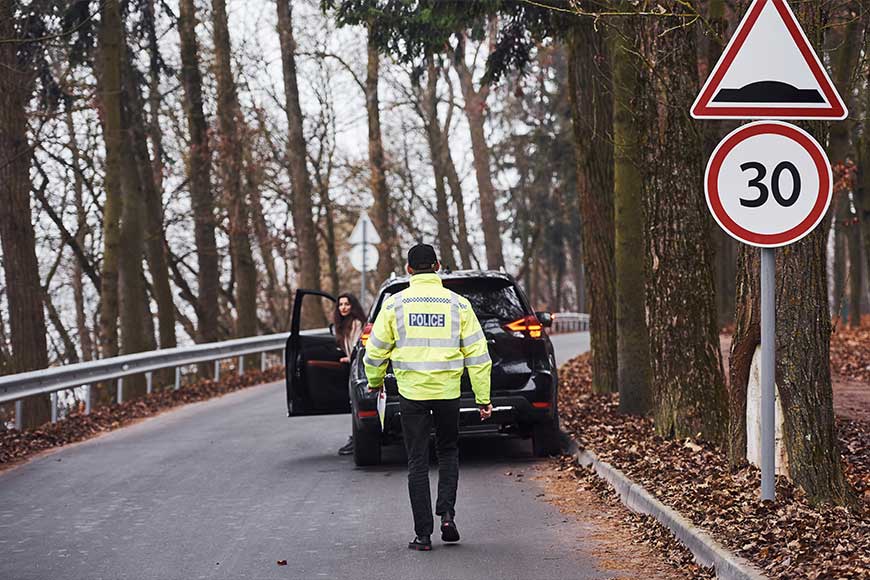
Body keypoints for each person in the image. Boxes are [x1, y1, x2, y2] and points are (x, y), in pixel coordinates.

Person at [364, 243, 492, 551]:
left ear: (408, 269)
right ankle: (447, 515)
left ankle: (423, 535)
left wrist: (374, 381)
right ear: (437, 266)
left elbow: (375, 351)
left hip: (412, 394)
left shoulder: (394, 305)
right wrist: (482, 398)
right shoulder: (458, 305)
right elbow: (478, 354)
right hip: (447, 392)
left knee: (417, 460)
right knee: (448, 452)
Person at [334, 293, 366, 456]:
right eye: (340, 305)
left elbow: (357, 345)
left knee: (356, 403)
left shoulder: (356, 323)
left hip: (358, 366)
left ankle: (358, 438)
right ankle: (356, 437)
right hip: (352, 365)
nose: (343, 307)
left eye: (346, 304)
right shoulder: (342, 325)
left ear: (353, 306)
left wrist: (350, 357)